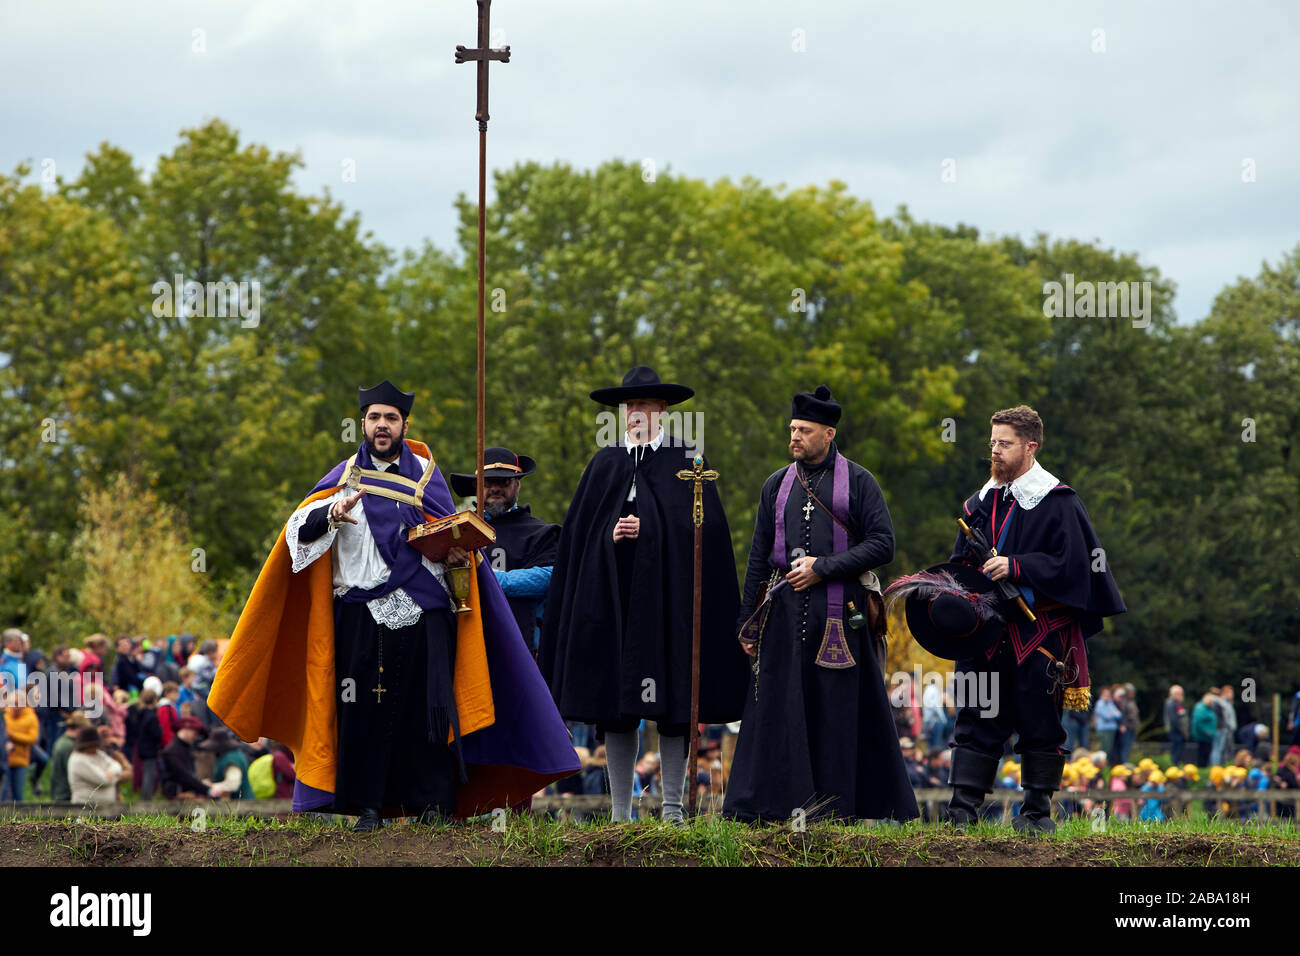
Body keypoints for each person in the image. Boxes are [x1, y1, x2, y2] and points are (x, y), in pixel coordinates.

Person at [209, 380, 578, 831]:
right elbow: (295, 535)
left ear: (404, 424)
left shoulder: (428, 475)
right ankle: (369, 806)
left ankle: (433, 804)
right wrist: (330, 515)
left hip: (428, 613)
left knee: (429, 709)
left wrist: (459, 552)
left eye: (390, 418)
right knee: (363, 710)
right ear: (362, 424)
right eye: (374, 418)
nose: (382, 426)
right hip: (362, 615)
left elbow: (451, 543)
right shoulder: (342, 478)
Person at [540, 366, 746, 824]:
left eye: (645, 406)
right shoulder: (604, 464)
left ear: (662, 411)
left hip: (667, 607)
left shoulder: (688, 461)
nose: (635, 413)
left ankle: (672, 810)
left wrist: (651, 531)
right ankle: (620, 813)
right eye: (629, 406)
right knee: (617, 706)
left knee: (673, 705)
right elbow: (578, 539)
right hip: (615, 605)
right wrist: (609, 535)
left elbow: (706, 536)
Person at [724, 386, 917, 824]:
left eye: (804, 430)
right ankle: (771, 808)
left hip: (841, 620)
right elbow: (757, 557)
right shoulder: (775, 483)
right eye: (792, 428)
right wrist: (745, 623)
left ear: (828, 433)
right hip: (784, 617)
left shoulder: (861, 481)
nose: (794, 436)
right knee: (780, 708)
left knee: (837, 713)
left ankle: (836, 810)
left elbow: (883, 545)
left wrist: (824, 567)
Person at [934, 405, 1125, 833]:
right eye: (992, 443)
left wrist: (1017, 567)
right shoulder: (978, 503)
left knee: (1040, 720)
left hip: (1038, 633)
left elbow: (1079, 566)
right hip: (984, 634)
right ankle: (962, 811)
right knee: (976, 714)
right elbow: (959, 563)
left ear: (1030, 446)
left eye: (1005, 444)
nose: (995, 452)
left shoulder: (1060, 501)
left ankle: (1036, 813)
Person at [449, 446, 561, 656]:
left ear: (517, 485)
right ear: (477, 485)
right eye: (489, 482)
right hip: (466, 640)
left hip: (521, 645)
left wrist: (491, 579)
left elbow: (552, 576)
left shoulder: (541, 533)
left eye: (504, 482)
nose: (495, 488)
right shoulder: (459, 530)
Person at [67, 726, 130, 807]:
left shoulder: (98, 754)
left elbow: (116, 765)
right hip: (85, 808)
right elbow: (103, 780)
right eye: (92, 745)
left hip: (107, 808)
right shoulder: (77, 760)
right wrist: (117, 776)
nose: (95, 747)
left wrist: (111, 772)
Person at [159, 716, 218, 799]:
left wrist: (202, 784)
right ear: (186, 729)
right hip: (177, 798)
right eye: (195, 733)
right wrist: (207, 790)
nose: (196, 737)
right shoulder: (171, 751)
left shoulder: (185, 748)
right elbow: (184, 777)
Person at [4, 684, 40, 800]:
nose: (16, 707)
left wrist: (13, 735)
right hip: (5, 760)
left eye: (18, 704)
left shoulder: (31, 717)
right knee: (4, 794)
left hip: (21, 760)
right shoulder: (5, 715)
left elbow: (32, 739)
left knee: (18, 795)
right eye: (13, 703)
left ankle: (18, 817)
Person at [47, 713, 91, 802]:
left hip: (59, 793)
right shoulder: (69, 747)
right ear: (79, 729)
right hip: (65, 796)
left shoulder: (62, 742)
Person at [204, 728, 255, 800]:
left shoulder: (232, 758)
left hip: (242, 803)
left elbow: (233, 784)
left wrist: (213, 786)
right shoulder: (230, 755)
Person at [1191, 691, 1218, 767]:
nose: (1211, 702)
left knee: (1206, 754)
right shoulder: (1200, 708)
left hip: (1208, 736)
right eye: (1210, 701)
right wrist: (1206, 731)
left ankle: (1204, 768)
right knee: (1202, 754)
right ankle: (1201, 769)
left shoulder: (1208, 708)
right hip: (1203, 736)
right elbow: (1198, 722)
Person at [1165, 684, 1188, 765]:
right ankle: (1174, 768)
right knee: (1175, 752)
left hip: (1178, 731)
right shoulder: (1171, 704)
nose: (1181, 695)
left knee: (1179, 752)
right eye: (1179, 693)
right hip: (1175, 732)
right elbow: (1173, 719)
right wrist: (1180, 731)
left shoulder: (1178, 703)